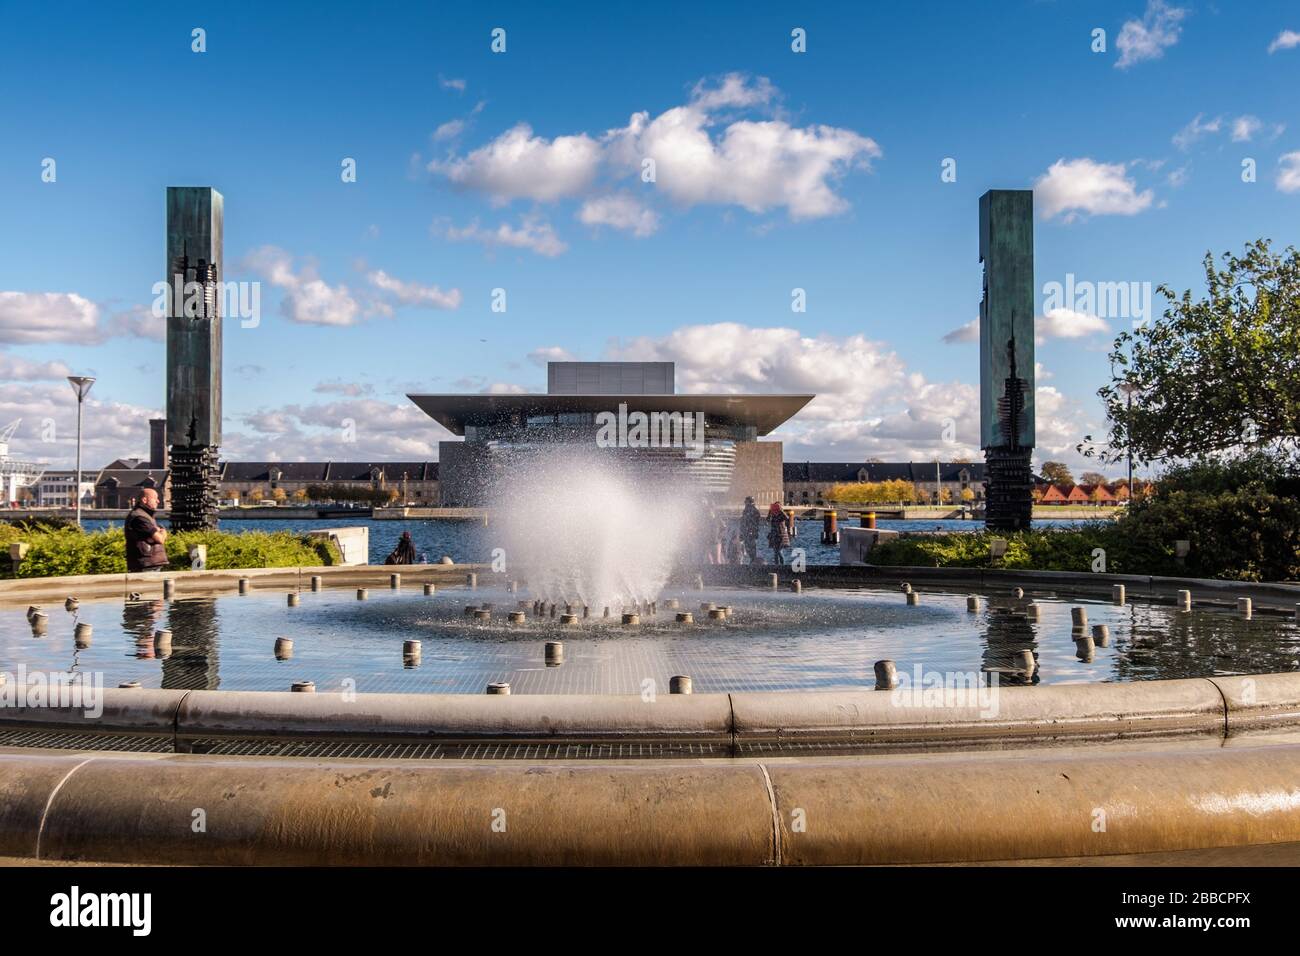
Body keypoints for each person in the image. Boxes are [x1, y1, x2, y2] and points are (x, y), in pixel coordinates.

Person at [125, 488, 168, 572]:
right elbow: (160, 539)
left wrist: (160, 532)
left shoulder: (146, 515)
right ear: (144, 500)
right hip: (145, 565)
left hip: (150, 564)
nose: (158, 501)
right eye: (155, 499)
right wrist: (162, 532)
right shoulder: (139, 517)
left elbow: (157, 536)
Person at [767, 501, 791, 566]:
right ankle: (776, 566)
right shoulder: (773, 514)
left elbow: (787, 518)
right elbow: (767, 520)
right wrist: (770, 511)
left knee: (779, 551)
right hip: (774, 535)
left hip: (781, 535)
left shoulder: (782, 514)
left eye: (777, 506)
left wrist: (781, 511)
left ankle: (782, 566)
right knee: (775, 552)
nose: (776, 508)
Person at [739, 496, 761, 564]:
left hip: (750, 532)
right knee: (749, 548)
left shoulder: (751, 510)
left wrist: (751, 530)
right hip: (748, 532)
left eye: (746, 502)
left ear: (749, 502)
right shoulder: (749, 510)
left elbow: (752, 522)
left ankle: (752, 562)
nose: (745, 503)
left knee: (750, 548)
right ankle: (752, 561)